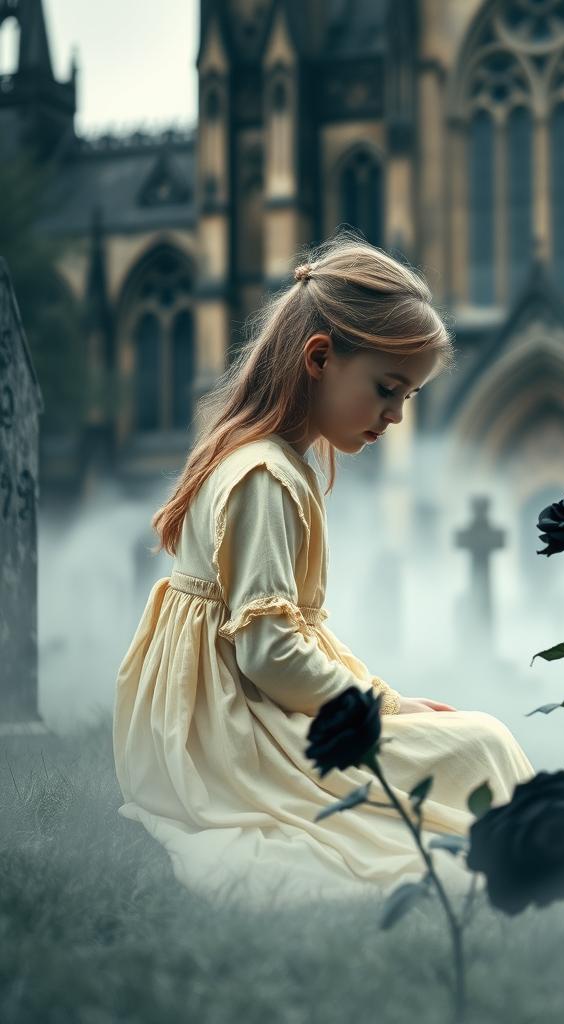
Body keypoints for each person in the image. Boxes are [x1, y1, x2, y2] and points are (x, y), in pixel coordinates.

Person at [112, 232, 536, 911]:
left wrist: (388, 700)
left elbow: (287, 636)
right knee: (480, 746)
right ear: (320, 359)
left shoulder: (272, 464)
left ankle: (524, 855)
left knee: (470, 743)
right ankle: (527, 863)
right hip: (231, 735)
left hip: (232, 713)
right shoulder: (264, 478)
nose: (396, 415)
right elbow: (270, 651)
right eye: (388, 389)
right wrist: (376, 712)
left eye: (410, 397)